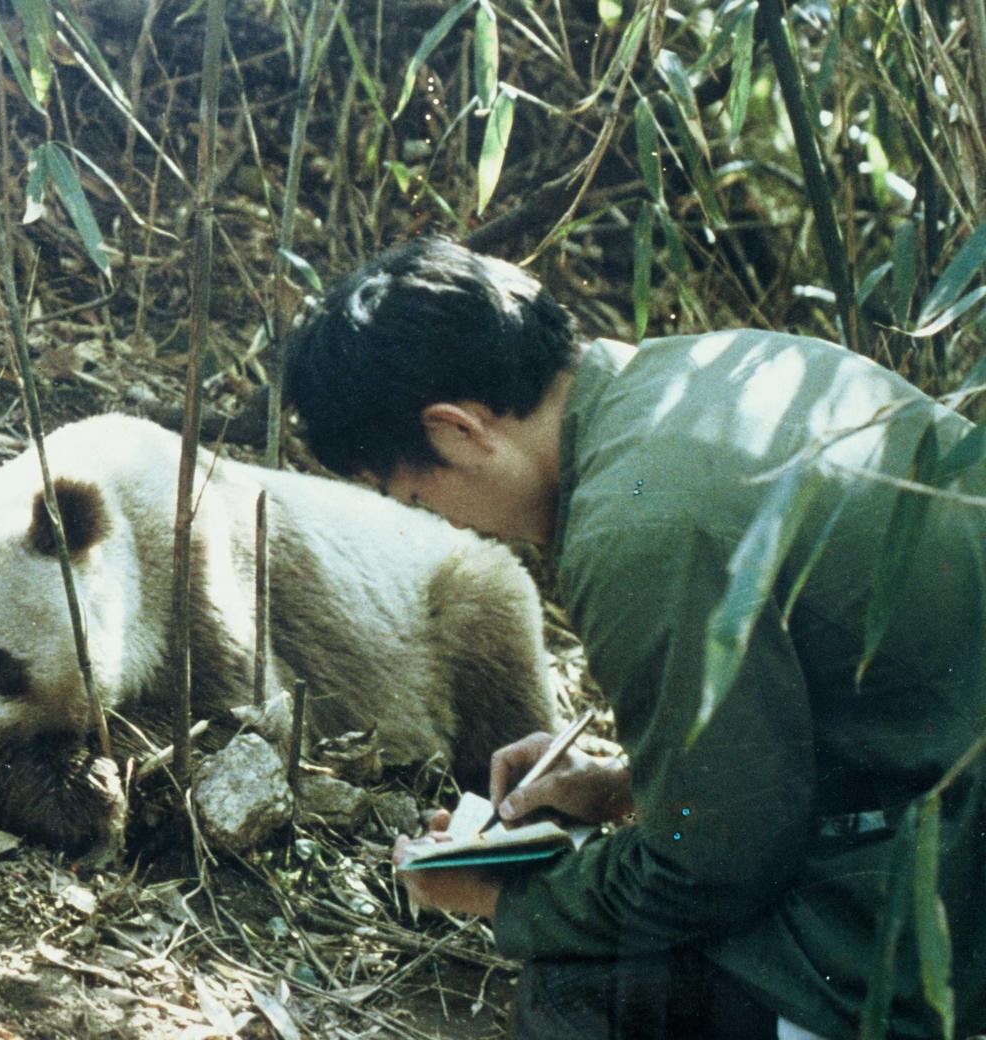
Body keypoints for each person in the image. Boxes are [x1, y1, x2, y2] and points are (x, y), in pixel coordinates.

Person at [284, 236, 986, 1040]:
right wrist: (623, 785)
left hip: (953, 900)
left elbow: (716, 866)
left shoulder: (635, 524)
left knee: (583, 990)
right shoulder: (715, 367)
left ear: (456, 430)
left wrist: (509, 896)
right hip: (946, 800)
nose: (440, 521)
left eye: (417, 494)